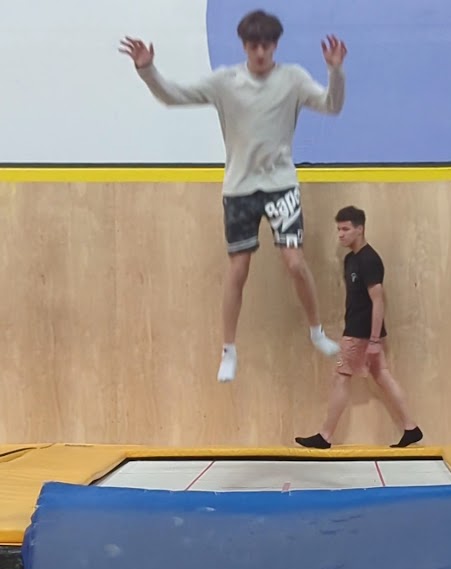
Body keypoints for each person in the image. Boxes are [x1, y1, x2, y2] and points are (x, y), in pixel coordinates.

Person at [120, 10, 347, 383]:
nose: (260, 52)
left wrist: (335, 72)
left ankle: (316, 331)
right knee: (238, 269)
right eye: (254, 46)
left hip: (280, 185)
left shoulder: (292, 79)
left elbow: (331, 106)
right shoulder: (226, 82)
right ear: (244, 46)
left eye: (267, 46)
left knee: (295, 262)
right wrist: (148, 70)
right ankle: (228, 350)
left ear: (275, 46)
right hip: (240, 188)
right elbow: (174, 97)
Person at [295, 206, 423, 449]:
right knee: (381, 375)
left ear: (360, 229)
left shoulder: (369, 260)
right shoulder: (350, 259)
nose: (340, 234)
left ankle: (325, 436)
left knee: (341, 377)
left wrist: (374, 340)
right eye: (338, 229)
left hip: (359, 333)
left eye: (345, 229)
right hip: (359, 330)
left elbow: (378, 301)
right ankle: (411, 428)